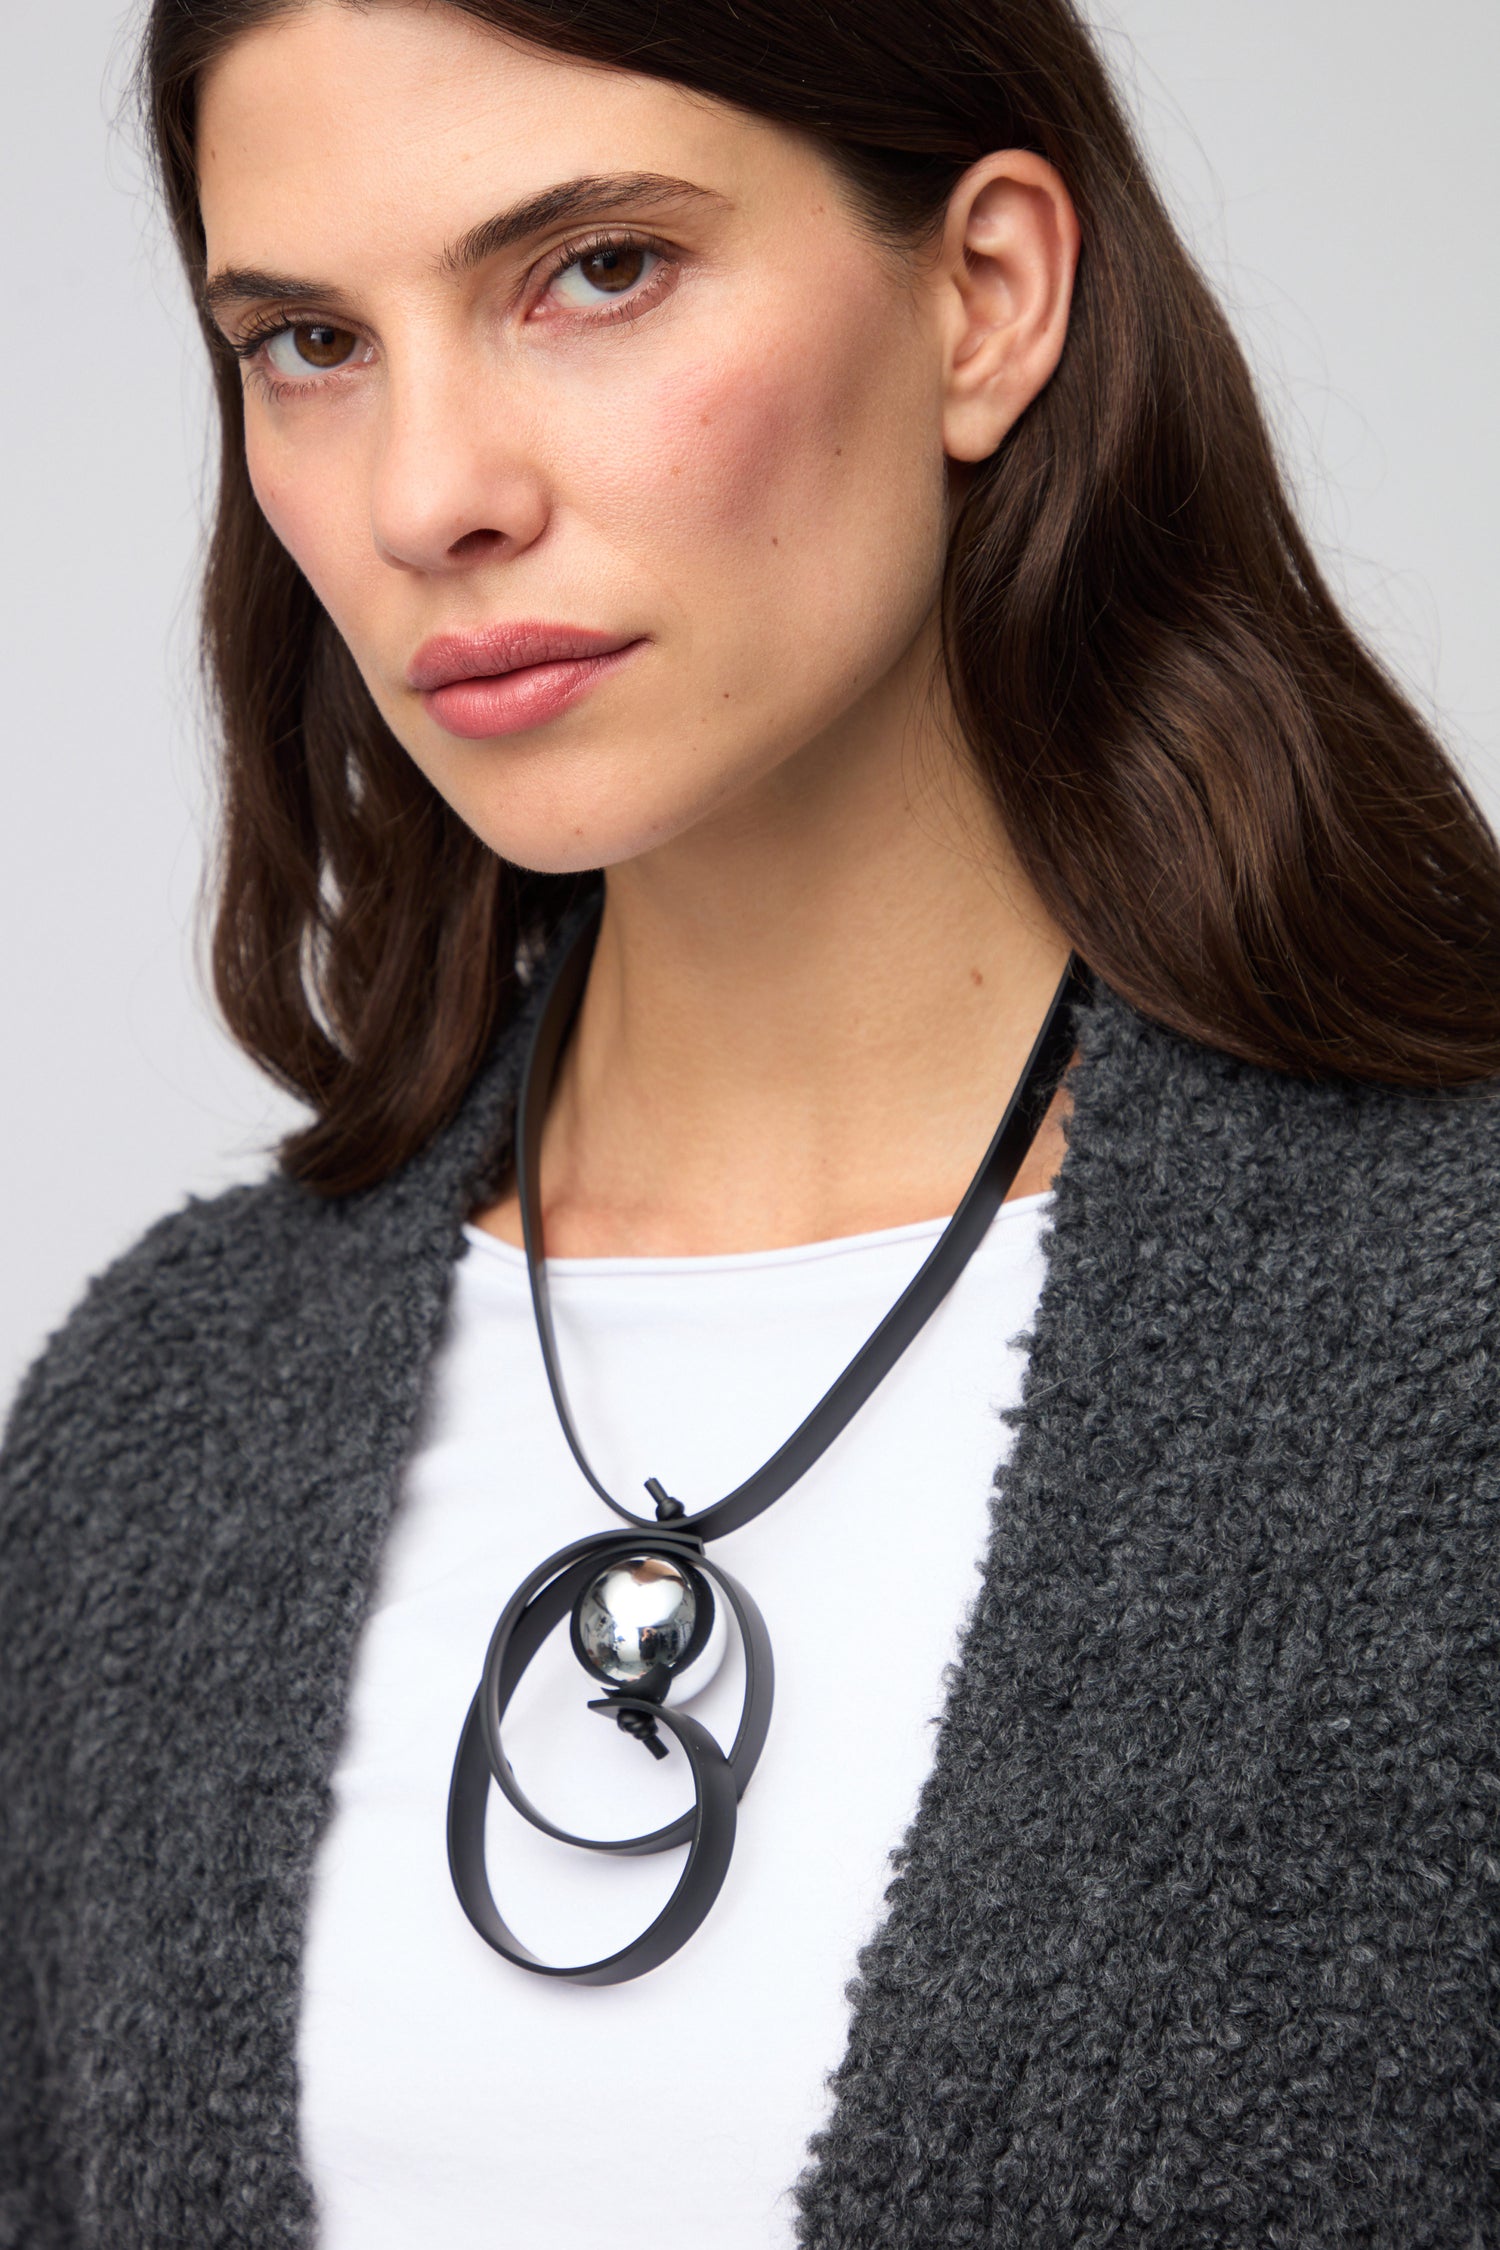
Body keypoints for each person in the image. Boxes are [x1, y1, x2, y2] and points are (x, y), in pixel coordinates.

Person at [3, 0, 1497, 2243]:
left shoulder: (1445, 1357)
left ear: (985, 297)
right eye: (310, 339)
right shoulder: (156, 1428)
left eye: (594, 269)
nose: (429, 495)